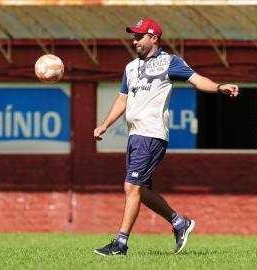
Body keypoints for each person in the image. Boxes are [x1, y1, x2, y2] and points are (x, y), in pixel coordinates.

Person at [93, 18, 239, 256]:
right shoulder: (130, 67)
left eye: (140, 36)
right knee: (141, 191)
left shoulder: (169, 62)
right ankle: (179, 222)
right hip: (134, 135)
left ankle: (120, 244)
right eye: (134, 36)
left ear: (154, 38)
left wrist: (219, 87)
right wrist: (105, 124)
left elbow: (197, 79)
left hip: (151, 134)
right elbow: (123, 99)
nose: (135, 40)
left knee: (131, 187)